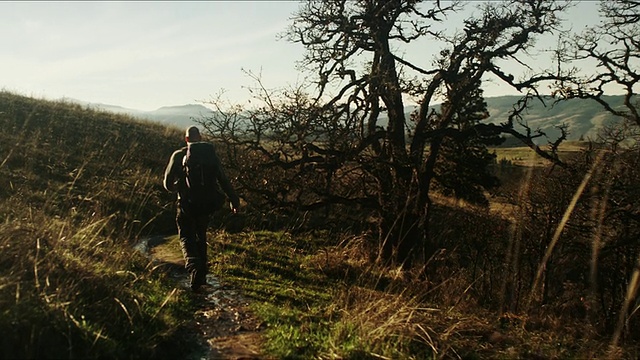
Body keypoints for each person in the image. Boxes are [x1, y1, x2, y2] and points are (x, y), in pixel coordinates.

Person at [163, 125, 240, 292]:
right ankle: (201, 278)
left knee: (186, 237)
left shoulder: (178, 155)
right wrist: (234, 200)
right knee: (201, 236)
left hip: (186, 204)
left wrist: (178, 187)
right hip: (206, 205)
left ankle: (193, 266)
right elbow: (223, 179)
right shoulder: (209, 155)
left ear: (186, 139)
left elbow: (167, 184)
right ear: (200, 137)